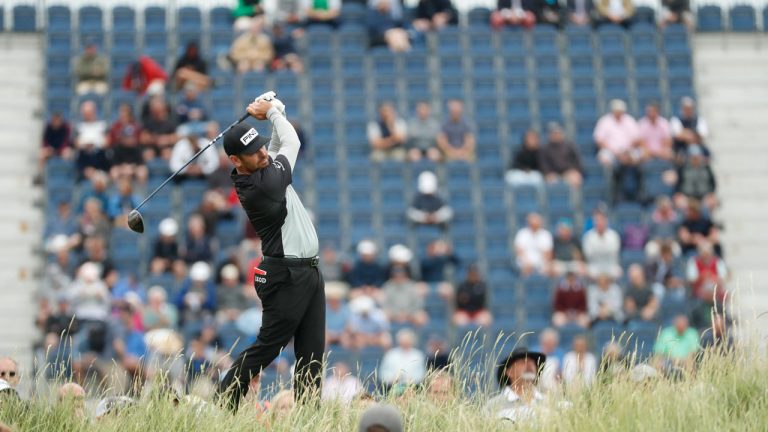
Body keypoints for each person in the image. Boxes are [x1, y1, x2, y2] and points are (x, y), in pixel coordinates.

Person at [218, 95, 326, 410]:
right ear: (237, 160)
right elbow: (290, 142)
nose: (263, 152)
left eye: (261, 145)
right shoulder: (263, 187)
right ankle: (221, 407)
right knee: (267, 348)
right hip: (286, 275)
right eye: (253, 151)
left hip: (307, 272)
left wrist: (271, 108)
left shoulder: (263, 168)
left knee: (312, 353)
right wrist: (274, 111)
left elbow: (277, 146)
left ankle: (309, 419)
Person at [486, 347, 547, 422]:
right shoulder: (492, 406)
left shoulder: (550, 402)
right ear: (509, 372)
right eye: (522, 361)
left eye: (532, 362)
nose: (529, 364)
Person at [593, 99, 640, 167]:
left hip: (628, 150)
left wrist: (626, 151)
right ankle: (610, 176)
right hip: (610, 151)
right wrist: (614, 151)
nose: (618, 112)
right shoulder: (605, 121)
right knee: (604, 158)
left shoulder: (629, 120)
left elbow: (637, 138)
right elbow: (599, 139)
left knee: (639, 156)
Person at [107, 104, 147, 184]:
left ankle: (141, 193)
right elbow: (115, 164)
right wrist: (124, 168)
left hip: (133, 168)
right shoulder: (117, 148)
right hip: (121, 168)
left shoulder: (136, 148)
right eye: (126, 137)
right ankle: (117, 193)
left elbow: (141, 163)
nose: (128, 139)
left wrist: (131, 168)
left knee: (142, 172)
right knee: (114, 172)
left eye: (130, 137)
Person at [75, 101, 109, 181]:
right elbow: (76, 143)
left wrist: (95, 145)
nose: (87, 115)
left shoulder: (102, 125)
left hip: (99, 157)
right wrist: (86, 145)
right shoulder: (79, 127)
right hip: (84, 158)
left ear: (94, 112)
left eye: (89, 112)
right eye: (85, 113)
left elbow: (107, 142)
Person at [540, 122, 582, 188]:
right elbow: (543, 163)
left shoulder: (569, 146)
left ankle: (575, 198)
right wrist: (547, 173)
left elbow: (577, 161)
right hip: (552, 173)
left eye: (557, 133)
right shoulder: (545, 148)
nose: (556, 135)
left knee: (575, 178)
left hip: (568, 171)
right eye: (554, 133)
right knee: (551, 181)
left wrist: (575, 170)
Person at [582, 209, 621, 278]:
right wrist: (604, 248)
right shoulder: (588, 236)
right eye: (597, 220)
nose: (599, 222)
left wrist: (598, 249)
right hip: (594, 266)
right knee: (586, 271)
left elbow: (613, 252)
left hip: (610, 266)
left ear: (606, 221)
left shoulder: (614, 235)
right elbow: (589, 254)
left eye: (602, 220)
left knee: (618, 272)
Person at [325, 282, 351, 347]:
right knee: (324, 338)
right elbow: (322, 324)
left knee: (345, 338)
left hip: (342, 333)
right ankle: (323, 357)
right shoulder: (324, 309)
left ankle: (345, 356)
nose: (334, 301)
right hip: (328, 333)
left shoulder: (345, 308)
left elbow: (348, 324)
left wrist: (344, 333)